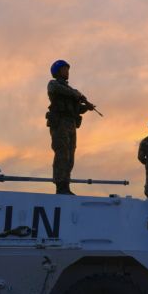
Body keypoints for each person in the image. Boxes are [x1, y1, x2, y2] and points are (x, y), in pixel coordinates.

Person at [46, 60, 95, 195]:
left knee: (70, 156)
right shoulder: (54, 84)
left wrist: (86, 107)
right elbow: (58, 90)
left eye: (68, 69)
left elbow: (77, 109)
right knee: (62, 154)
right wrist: (77, 94)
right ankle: (60, 186)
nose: (67, 72)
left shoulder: (70, 91)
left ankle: (65, 185)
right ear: (57, 72)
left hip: (71, 124)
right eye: (64, 69)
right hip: (60, 123)